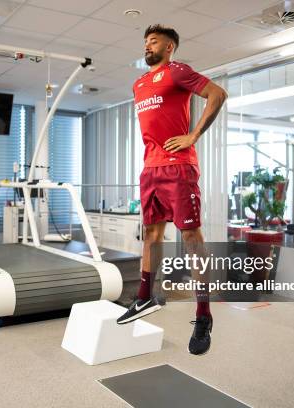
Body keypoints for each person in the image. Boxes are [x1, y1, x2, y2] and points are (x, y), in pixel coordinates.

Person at [116, 25, 228, 355]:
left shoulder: (177, 71)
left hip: (179, 167)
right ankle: (145, 296)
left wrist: (193, 136)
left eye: (154, 41)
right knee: (150, 235)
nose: (147, 46)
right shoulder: (137, 84)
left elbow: (217, 94)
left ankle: (204, 314)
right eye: (145, 42)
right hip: (150, 168)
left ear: (170, 47)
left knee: (191, 236)